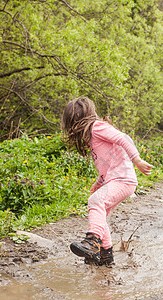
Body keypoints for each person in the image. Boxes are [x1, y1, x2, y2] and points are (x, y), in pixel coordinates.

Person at [61, 96, 153, 266]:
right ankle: (106, 256)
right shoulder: (93, 133)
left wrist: (137, 160)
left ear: (77, 119)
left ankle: (92, 242)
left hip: (123, 180)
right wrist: (99, 181)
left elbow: (123, 138)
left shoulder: (97, 127)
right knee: (100, 217)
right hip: (115, 180)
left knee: (95, 201)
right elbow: (109, 163)